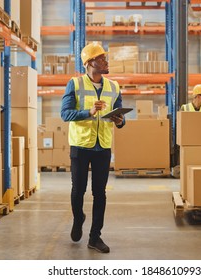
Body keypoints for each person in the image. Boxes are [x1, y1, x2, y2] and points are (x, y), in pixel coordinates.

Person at [60, 42, 125, 254]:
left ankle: (95, 236)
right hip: (80, 145)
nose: (106, 61)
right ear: (90, 63)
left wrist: (119, 121)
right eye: (102, 58)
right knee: (78, 190)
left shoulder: (114, 87)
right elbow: (66, 114)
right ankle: (78, 218)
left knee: (100, 193)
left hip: (103, 147)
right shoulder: (75, 84)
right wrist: (88, 112)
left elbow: (121, 118)